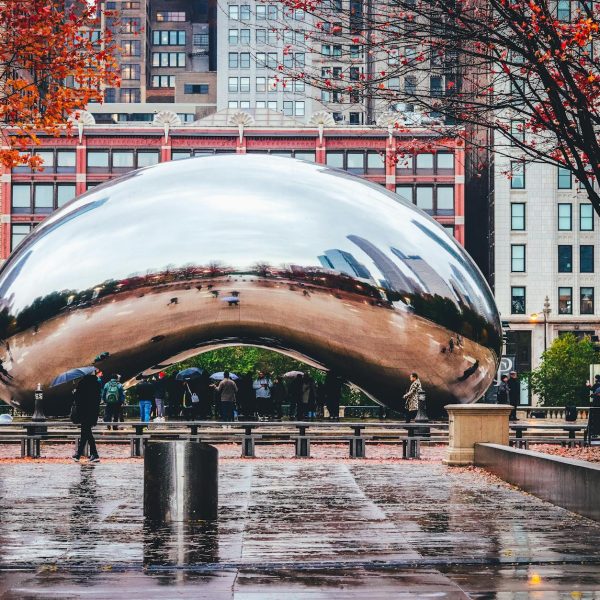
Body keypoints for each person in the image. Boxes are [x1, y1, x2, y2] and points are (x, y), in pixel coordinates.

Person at [72, 371, 102, 462]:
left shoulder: (82, 383)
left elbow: (78, 399)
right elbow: (98, 398)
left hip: (84, 412)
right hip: (93, 412)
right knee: (85, 432)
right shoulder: (97, 383)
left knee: (86, 432)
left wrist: (74, 392)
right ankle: (78, 454)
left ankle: (94, 454)